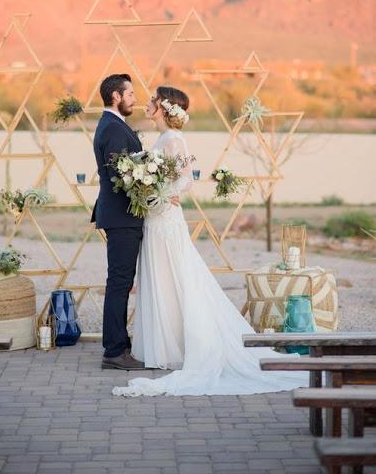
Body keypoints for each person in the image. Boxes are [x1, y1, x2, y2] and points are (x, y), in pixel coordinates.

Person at [112, 85, 308, 396]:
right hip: (155, 218)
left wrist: (163, 196)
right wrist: (149, 192)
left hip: (165, 219)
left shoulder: (174, 139)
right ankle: (162, 346)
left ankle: (176, 347)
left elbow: (186, 179)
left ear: (163, 107)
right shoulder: (162, 138)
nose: (146, 103)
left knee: (173, 277)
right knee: (160, 278)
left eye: (152, 100)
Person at [92, 73, 147, 370]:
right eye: (130, 93)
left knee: (121, 282)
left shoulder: (113, 124)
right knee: (119, 283)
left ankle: (119, 344)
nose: (134, 99)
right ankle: (114, 351)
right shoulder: (112, 128)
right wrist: (149, 185)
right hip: (122, 216)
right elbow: (120, 176)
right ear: (116, 96)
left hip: (122, 215)